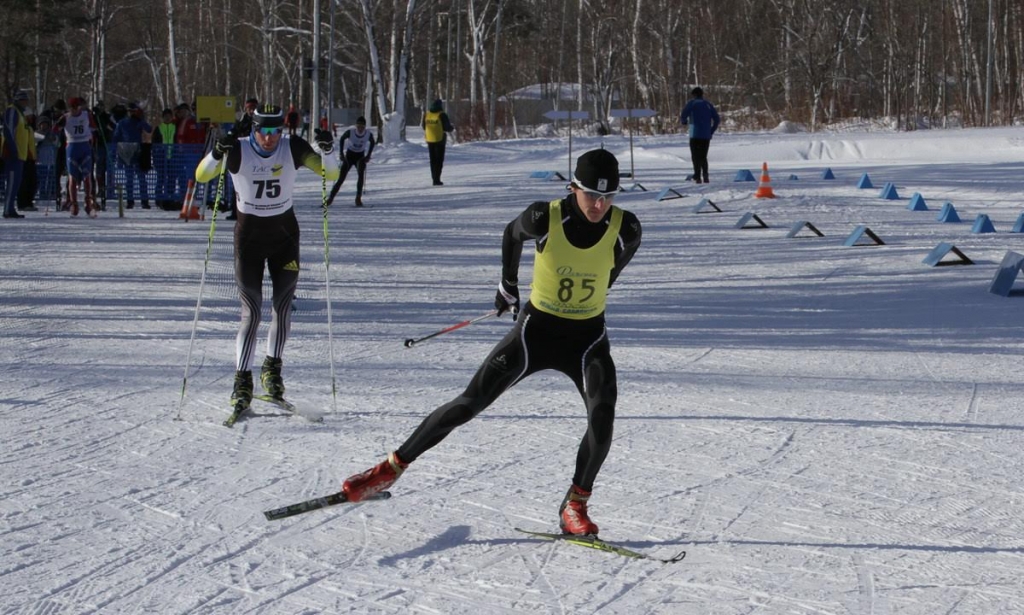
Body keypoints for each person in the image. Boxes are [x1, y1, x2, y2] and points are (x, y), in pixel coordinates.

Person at [340, 149, 642, 536]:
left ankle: (575, 504)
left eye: (608, 196)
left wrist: (596, 288)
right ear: (573, 188)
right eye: (590, 195)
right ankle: (388, 469)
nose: (599, 204)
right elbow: (511, 234)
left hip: (587, 339)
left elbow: (615, 265)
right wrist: (508, 284)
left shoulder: (627, 228)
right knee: (468, 404)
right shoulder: (544, 216)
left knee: (602, 419)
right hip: (537, 332)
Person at [194, 104, 339, 420]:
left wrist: (328, 151)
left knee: (283, 306)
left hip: (285, 238)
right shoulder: (239, 150)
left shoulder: (292, 147)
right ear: (253, 130)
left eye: (276, 131)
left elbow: (331, 173)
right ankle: (242, 380)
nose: (270, 138)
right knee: (252, 311)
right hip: (249, 240)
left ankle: (272, 371)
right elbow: (202, 175)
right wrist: (217, 153)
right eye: (264, 131)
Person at [55, 97, 99, 216]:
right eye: (72, 108)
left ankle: (88, 203)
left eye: (76, 107)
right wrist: (56, 125)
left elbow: (95, 128)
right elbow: (55, 129)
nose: (74, 110)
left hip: (85, 147)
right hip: (72, 148)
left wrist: (96, 119)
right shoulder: (66, 117)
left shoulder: (86, 115)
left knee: (87, 176)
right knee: (72, 178)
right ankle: (74, 204)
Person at [326, 116, 375, 207]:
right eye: (358, 126)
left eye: (362, 127)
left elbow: (372, 142)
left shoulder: (368, 134)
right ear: (356, 126)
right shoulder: (351, 132)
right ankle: (330, 199)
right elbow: (342, 139)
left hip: (360, 157)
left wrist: (368, 155)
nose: (360, 129)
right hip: (349, 156)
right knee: (341, 179)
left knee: (360, 176)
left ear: (365, 127)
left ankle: (358, 198)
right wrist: (341, 153)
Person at [112, 102, 153, 208]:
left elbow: (149, 129)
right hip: (126, 153)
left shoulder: (139, 122)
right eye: (130, 111)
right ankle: (130, 200)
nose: (131, 113)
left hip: (138, 153)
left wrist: (141, 119)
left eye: (133, 111)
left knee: (141, 178)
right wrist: (115, 149)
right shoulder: (122, 123)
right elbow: (116, 137)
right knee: (129, 178)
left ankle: (144, 200)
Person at [679, 86, 720, 184]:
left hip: (695, 134)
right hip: (706, 135)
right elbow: (717, 119)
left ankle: (697, 176)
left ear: (694, 95)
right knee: (703, 156)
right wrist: (711, 131)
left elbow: (684, 115)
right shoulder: (708, 105)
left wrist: (684, 122)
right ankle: (705, 176)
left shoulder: (692, 104)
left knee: (695, 156)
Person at [3, 90, 34, 219]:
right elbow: (9, 130)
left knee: (16, 182)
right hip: (12, 153)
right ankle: (7, 210)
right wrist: (13, 148)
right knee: (11, 182)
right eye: (25, 100)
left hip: (20, 154)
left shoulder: (21, 113)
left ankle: (10, 208)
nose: (26, 103)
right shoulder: (12, 111)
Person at [422, 98, 453, 186]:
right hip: (440, 140)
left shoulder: (427, 114)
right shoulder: (441, 114)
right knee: (439, 160)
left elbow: (424, 126)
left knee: (432, 160)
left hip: (429, 139)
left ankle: (434, 178)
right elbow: (447, 128)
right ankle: (437, 179)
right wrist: (452, 128)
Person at [153, 108, 177, 209]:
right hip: (161, 157)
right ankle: (158, 198)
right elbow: (155, 143)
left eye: (169, 116)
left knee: (172, 178)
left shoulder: (175, 127)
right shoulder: (159, 128)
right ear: (163, 118)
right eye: (165, 116)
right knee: (161, 178)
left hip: (172, 157)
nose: (167, 118)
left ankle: (170, 196)